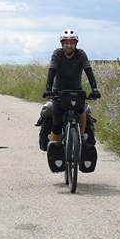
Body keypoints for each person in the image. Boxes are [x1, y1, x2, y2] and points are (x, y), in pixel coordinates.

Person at [40, 29, 99, 170]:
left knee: (82, 110)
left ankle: (82, 138)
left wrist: (95, 89)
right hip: (58, 93)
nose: (69, 46)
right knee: (56, 124)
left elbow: (88, 71)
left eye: (72, 43)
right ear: (62, 44)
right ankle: (56, 151)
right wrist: (48, 89)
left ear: (76, 44)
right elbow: (52, 71)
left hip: (76, 92)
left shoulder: (81, 54)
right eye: (66, 43)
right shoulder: (57, 54)